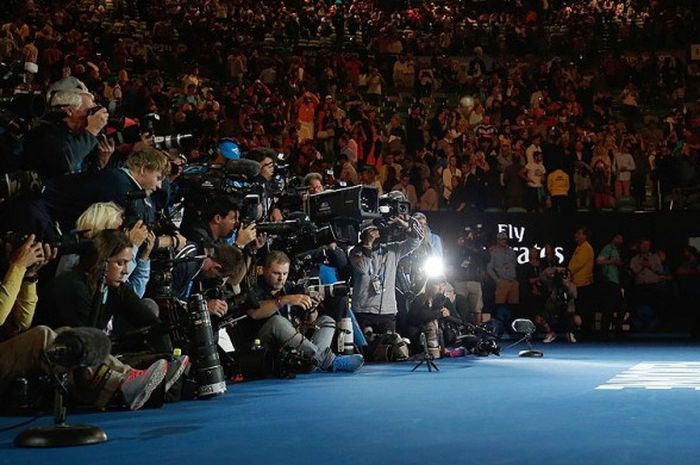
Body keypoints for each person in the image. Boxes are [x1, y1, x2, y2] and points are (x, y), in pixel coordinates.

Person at [0, 235, 171, 411]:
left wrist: (28, 275)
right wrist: (17, 267)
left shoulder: (113, 287)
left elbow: (23, 321)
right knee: (44, 335)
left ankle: (130, 377)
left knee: (66, 335)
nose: (126, 270)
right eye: (120, 263)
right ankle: (121, 384)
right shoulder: (72, 284)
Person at [237, 251, 363, 372]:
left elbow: (310, 321)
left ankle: (312, 362)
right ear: (263, 270)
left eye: (285, 274)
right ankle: (327, 360)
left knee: (326, 320)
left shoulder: (290, 287)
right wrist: (283, 300)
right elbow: (254, 313)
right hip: (260, 344)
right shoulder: (254, 288)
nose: (281, 278)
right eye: (276, 273)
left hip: (291, 344)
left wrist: (311, 308)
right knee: (277, 321)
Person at [23, 76, 109, 179]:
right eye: (88, 111)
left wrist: (99, 164)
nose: (92, 117)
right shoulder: (44, 132)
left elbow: (81, 183)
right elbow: (63, 162)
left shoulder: (81, 138)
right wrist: (92, 131)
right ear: (69, 110)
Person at [349, 217, 422, 334]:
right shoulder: (355, 251)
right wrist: (367, 245)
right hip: (364, 311)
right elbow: (362, 268)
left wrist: (404, 224)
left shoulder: (392, 250)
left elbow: (416, 240)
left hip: (387, 311)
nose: (377, 234)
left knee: (389, 348)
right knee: (366, 349)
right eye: (373, 231)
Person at [450, 227, 486, 324]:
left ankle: (477, 331)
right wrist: (459, 246)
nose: (468, 237)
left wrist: (471, 245)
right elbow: (452, 260)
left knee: (477, 308)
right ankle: (461, 329)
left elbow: (485, 257)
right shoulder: (457, 248)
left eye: (470, 234)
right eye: (466, 235)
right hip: (460, 281)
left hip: (474, 280)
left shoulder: (477, 246)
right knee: (460, 307)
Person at [567, 227, 595, 341]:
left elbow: (577, 265)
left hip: (583, 284)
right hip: (577, 283)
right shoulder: (579, 248)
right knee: (579, 309)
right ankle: (582, 333)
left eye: (579, 234)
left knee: (584, 310)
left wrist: (568, 272)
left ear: (585, 236)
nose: (576, 235)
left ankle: (585, 334)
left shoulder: (586, 248)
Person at [596, 233, 626, 335]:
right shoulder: (608, 248)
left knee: (615, 307)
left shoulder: (618, 250)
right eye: (618, 238)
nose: (620, 241)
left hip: (616, 281)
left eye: (621, 239)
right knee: (611, 307)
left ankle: (612, 329)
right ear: (613, 238)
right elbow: (599, 261)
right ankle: (608, 331)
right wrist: (613, 261)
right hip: (609, 281)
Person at [487, 232, 519, 326]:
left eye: (505, 239)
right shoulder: (494, 252)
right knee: (499, 305)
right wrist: (497, 280)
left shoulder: (511, 251)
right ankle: (500, 328)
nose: (503, 241)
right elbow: (489, 268)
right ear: (497, 240)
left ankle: (512, 328)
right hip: (502, 282)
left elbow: (515, 264)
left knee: (514, 306)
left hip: (513, 281)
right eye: (501, 239)